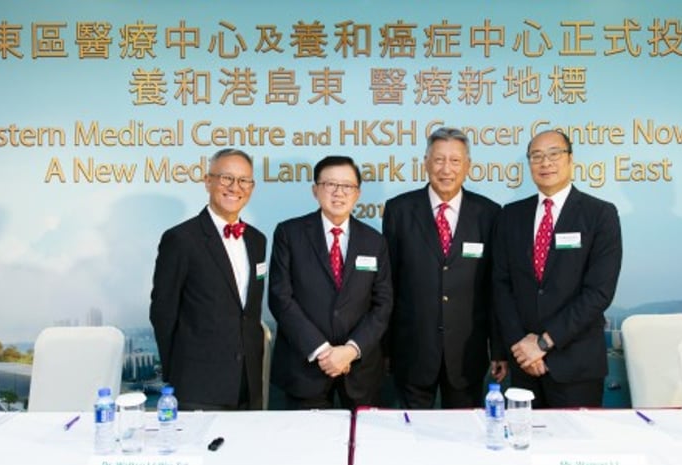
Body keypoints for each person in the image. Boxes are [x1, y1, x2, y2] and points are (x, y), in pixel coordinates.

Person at [492, 130, 622, 408]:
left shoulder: (600, 214)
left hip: (575, 364)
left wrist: (543, 344)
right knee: (522, 445)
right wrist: (521, 347)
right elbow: (501, 286)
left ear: (570, 159)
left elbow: (599, 292)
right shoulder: (511, 215)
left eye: (554, 154)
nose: (545, 163)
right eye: (536, 156)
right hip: (524, 364)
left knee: (574, 448)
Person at [383, 127, 507, 409]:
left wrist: (498, 349)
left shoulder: (489, 213)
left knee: (463, 438)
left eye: (454, 160)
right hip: (412, 350)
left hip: (467, 353)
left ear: (468, 166)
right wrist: (385, 349)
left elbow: (494, 287)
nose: (446, 169)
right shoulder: (399, 210)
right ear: (425, 162)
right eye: (438, 160)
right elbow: (388, 284)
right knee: (410, 435)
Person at [269, 155, 393, 409]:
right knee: (307, 447)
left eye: (347, 186)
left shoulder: (374, 241)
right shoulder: (289, 234)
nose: (339, 193)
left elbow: (383, 304)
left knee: (364, 444)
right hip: (305, 367)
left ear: (357, 193)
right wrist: (323, 351)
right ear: (315, 190)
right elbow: (280, 297)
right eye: (330, 185)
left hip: (360, 370)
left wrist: (350, 350)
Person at [150, 148, 267, 410]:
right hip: (198, 385)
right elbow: (162, 312)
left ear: (252, 187)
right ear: (208, 181)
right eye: (226, 178)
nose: (235, 187)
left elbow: (248, 312)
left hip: (248, 384)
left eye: (243, 181)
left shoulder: (257, 240)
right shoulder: (181, 239)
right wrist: (178, 372)